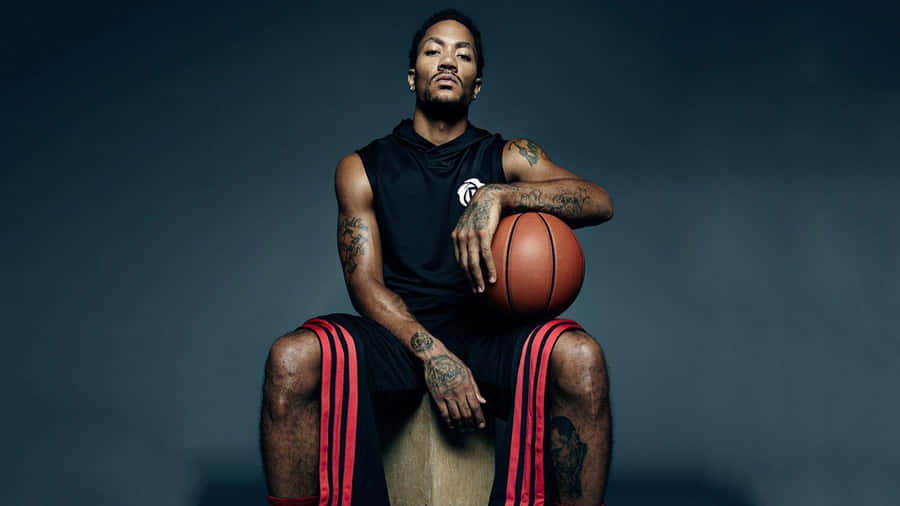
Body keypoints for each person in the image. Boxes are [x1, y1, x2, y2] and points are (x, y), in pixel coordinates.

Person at [260, 9, 614, 506]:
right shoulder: (362, 168)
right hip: (399, 344)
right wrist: (432, 355)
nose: (448, 61)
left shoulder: (507, 157)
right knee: (290, 359)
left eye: (463, 55)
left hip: (489, 336)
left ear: (477, 85)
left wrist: (501, 196)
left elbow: (599, 201)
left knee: (582, 359)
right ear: (412, 76)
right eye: (434, 51)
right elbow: (364, 284)